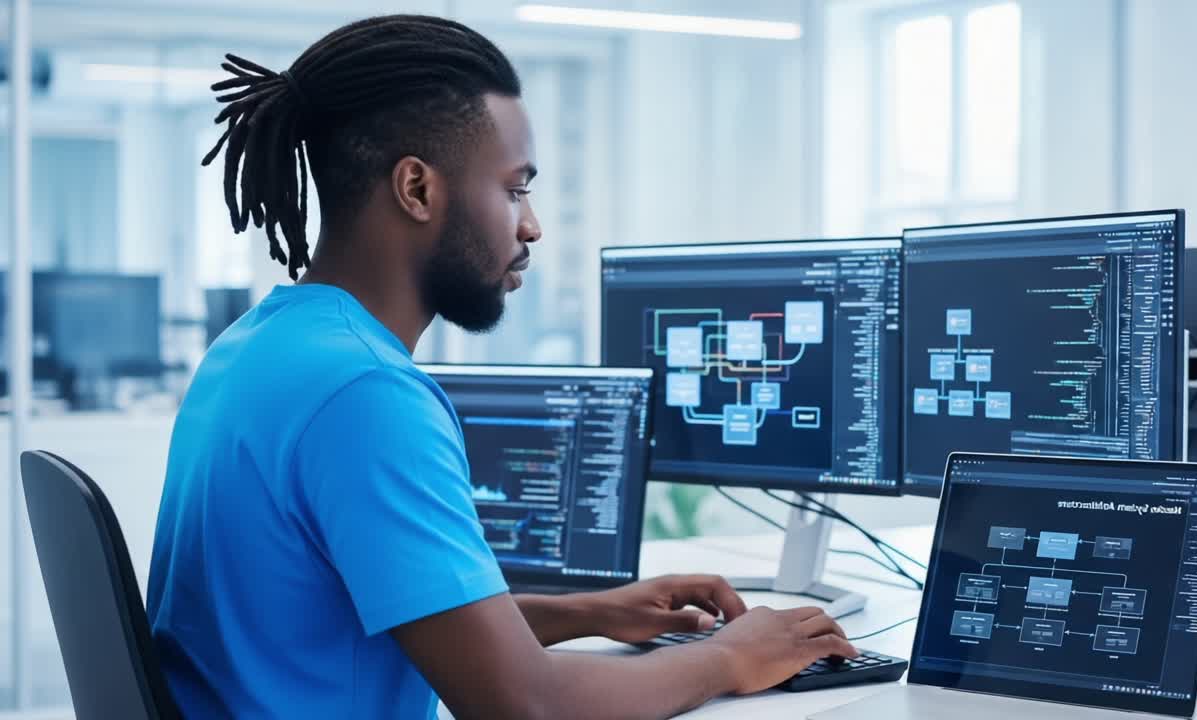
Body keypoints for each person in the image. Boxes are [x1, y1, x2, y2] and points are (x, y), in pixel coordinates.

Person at [147, 14, 855, 719]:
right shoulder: (366, 395)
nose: (532, 225)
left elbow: (367, 612)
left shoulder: (257, 348)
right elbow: (524, 704)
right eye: (515, 189)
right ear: (417, 190)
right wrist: (731, 655)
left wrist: (591, 611)